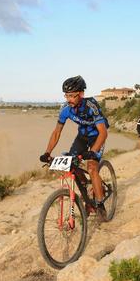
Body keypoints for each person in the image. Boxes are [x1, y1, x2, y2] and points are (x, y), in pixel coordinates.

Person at [39, 76, 109, 221]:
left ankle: (100, 204)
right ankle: (85, 186)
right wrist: (47, 152)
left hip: (97, 136)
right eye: (66, 95)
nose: (69, 99)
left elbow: (103, 132)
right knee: (71, 163)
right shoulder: (66, 109)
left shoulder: (91, 106)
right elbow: (57, 131)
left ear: (81, 94)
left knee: (91, 167)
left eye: (72, 95)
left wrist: (93, 152)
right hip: (82, 137)